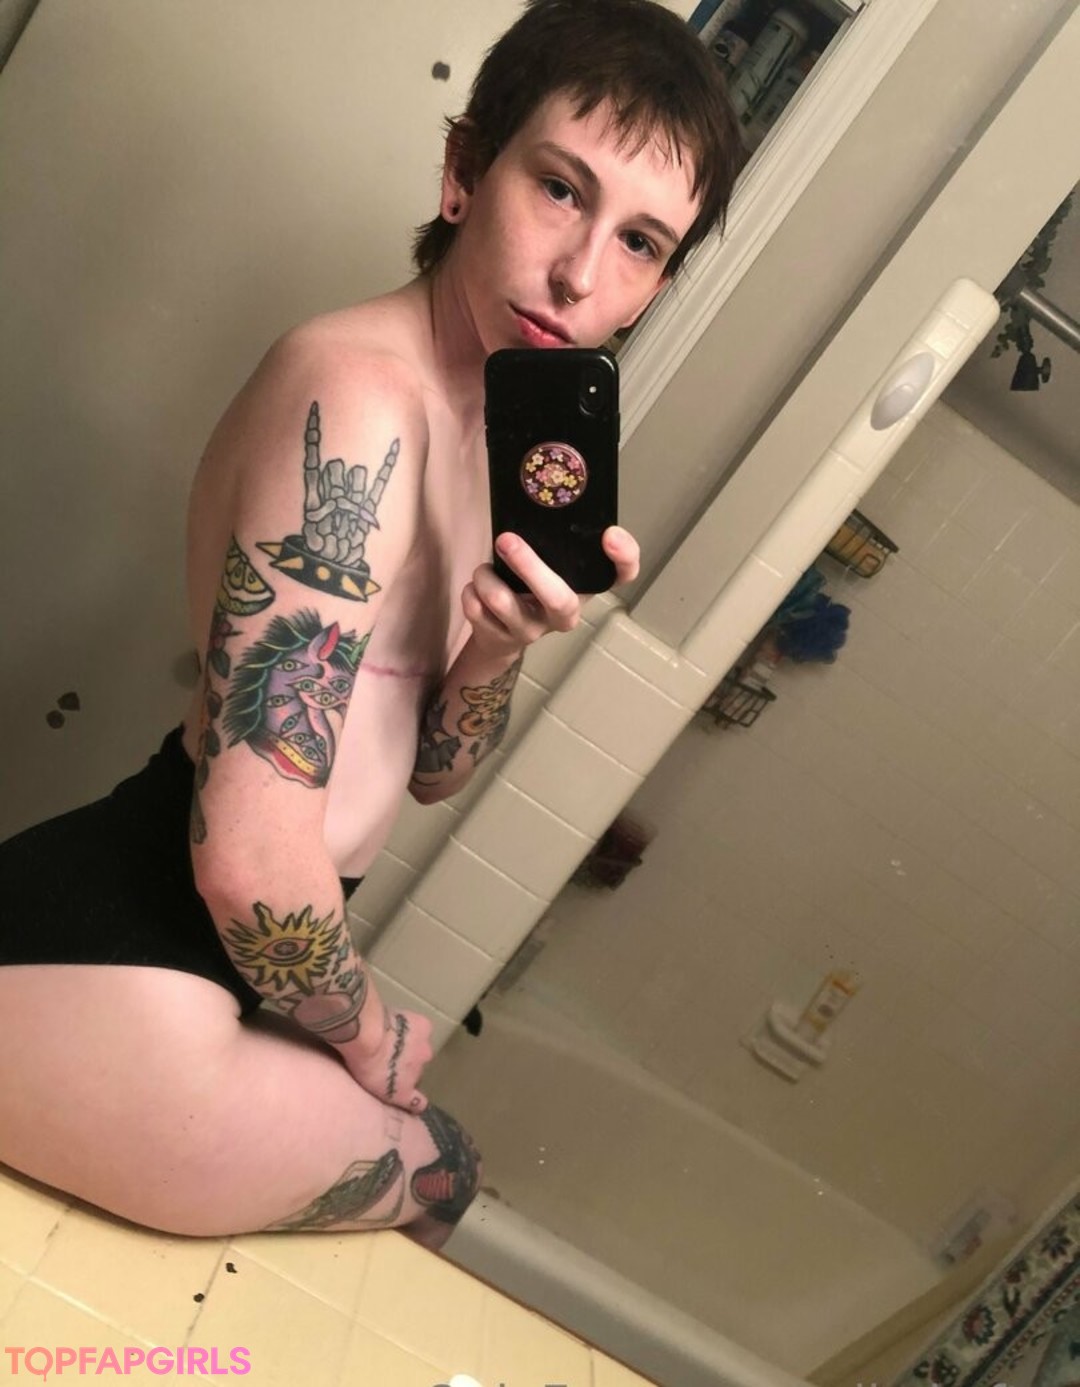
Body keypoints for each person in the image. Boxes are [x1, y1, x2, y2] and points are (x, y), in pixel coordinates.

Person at [0, 0, 742, 1248]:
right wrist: (369, 1029)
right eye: (560, 189)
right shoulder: (357, 400)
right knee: (444, 1174)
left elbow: (429, 770)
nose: (582, 274)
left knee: (430, 1176)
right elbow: (248, 859)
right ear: (465, 170)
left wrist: (498, 640)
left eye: (640, 242)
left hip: (202, 955)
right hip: (117, 950)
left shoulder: (484, 431)